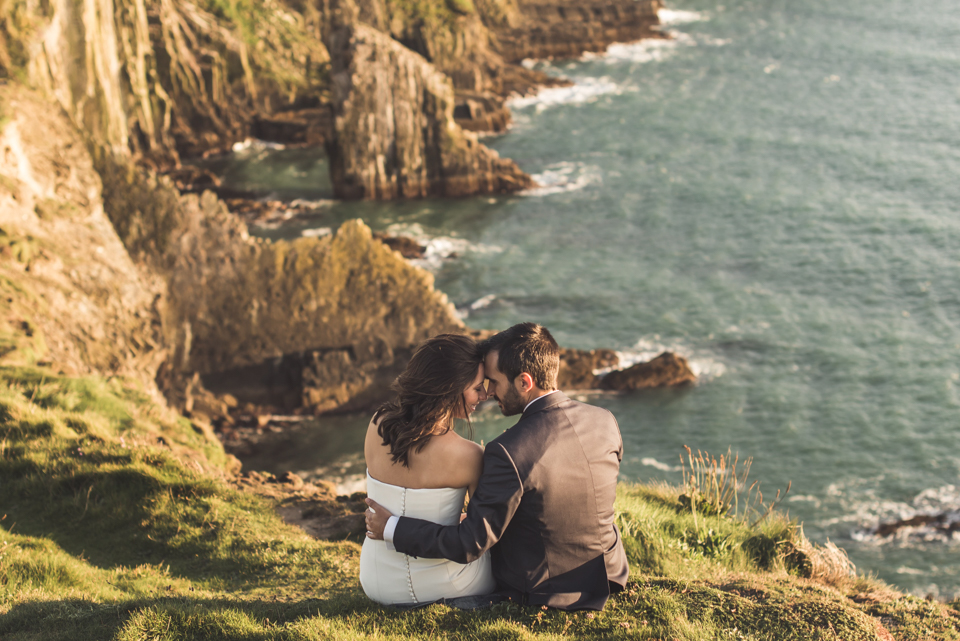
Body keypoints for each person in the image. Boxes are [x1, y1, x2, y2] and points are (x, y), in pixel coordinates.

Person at [366, 323, 629, 611]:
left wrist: (392, 527)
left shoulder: (509, 450)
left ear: (524, 382)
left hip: (545, 591)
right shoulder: (605, 420)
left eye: (493, 382)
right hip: (609, 574)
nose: (489, 393)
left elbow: (471, 543)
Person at [359, 333, 496, 605]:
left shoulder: (377, 425)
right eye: (477, 387)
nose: (484, 395)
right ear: (450, 389)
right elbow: (478, 537)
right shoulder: (470, 455)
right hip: (453, 586)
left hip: (376, 581)